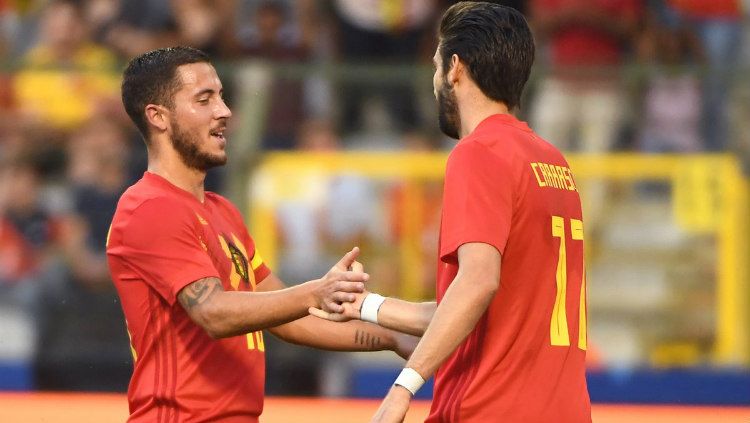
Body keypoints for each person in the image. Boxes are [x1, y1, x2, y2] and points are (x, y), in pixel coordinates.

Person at [312, 3, 591, 422]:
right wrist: (368, 306)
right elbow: (474, 310)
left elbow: (478, 281)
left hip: (491, 408)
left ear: (455, 68)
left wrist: (404, 386)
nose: (435, 80)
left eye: (436, 65)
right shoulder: (554, 164)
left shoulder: (479, 153)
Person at [106, 46, 416, 422]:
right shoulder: (149, 208)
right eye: (204, 99)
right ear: (158, 117)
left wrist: (391, 337)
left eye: (221, 96)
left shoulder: (222, 212)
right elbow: (213, 312)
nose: (224, 111)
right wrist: (316, 290)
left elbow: (288, 318)